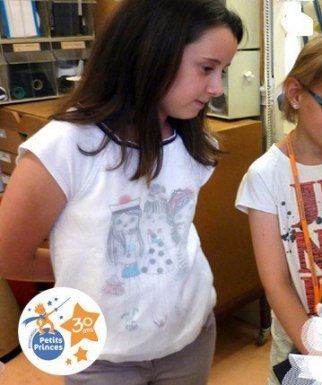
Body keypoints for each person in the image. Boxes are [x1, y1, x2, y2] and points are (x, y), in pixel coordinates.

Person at [0, 0, 242, 383]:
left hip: (190, 333)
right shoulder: (65, 148)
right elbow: (9, 255)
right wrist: (90, 264)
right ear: (150, 53)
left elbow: (173, 231)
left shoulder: (195, 141)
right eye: (207, 68)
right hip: (96, 351)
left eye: (223, 71)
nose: (216, 88)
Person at [235, 32, 322, 385]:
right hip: (301, 348)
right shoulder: (265, 177)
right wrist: (316, 352)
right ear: (297, 94)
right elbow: (276, 284)